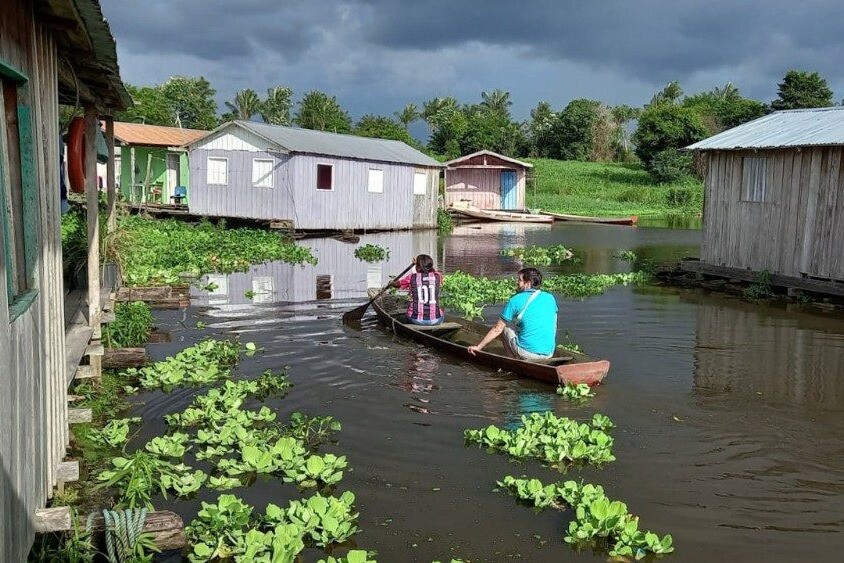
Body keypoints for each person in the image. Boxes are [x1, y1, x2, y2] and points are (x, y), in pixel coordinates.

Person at [468, 267, 557, 360]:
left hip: (528, 354)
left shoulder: (515, 300)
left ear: (528, 284)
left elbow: (497, 329)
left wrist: (478, 347)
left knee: (504, 328)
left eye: (520, 280)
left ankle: (512, 360)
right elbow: (552, 324)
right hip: (549, 353)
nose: (517, 282)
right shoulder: (550, 298)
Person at [391, 254, 445, 326]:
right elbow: (431, 270)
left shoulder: (411, 277)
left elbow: (397, 285)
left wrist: (391, 283)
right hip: (436, 320)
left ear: (418, 267)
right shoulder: (438, 276)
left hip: (416, 320)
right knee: (441, 309)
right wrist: (417, 264)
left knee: (409, 310)